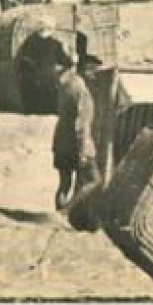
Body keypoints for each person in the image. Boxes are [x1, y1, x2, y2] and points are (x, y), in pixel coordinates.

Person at [51, 42, 99, 214]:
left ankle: (59, 212)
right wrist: (83, 149)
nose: (95, 74)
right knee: (93, 180)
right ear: (85, 69)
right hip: (75, 142)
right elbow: (81, 124)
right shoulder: (82, 92)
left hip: (61, 140)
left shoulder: (67, 85)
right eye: (93, 70)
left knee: (65, 183)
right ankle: (66, 212)